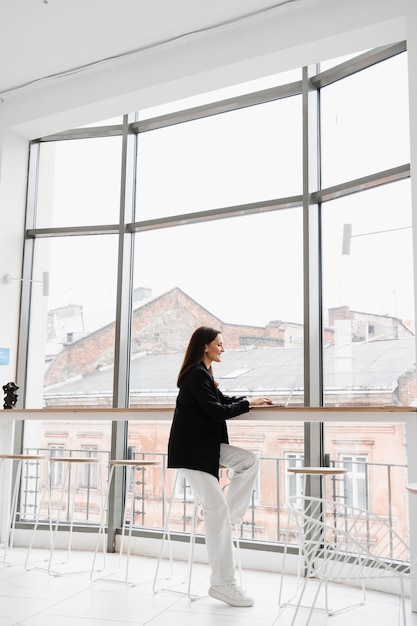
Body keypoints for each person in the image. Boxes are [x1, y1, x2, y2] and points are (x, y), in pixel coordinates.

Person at [167, 326, 273, 607]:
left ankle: (230, 516)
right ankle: (223, 584)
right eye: (220, 344)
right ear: (205, 346)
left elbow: (221, 401)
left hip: (205, 448)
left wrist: (251, 401)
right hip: (192, 452)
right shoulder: (195, 375)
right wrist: (247, 403)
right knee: (215, 510)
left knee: (248, 461)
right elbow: (216, 412)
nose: (223, 348)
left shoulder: (204, 374)